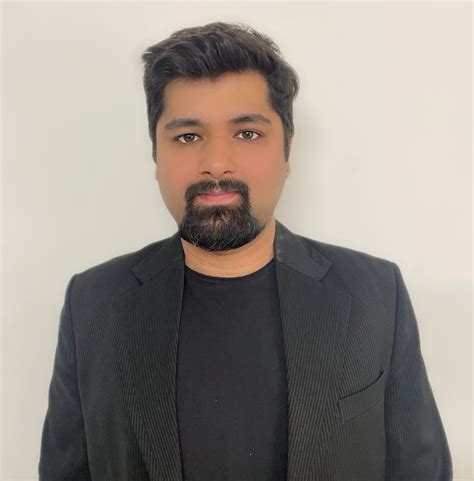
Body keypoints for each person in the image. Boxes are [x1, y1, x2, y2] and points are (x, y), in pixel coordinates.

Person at [38, 21, 452, 481]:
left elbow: (422, 470)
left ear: (287, 150)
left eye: (247, 133)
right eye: (188, 136)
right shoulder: (93, 303)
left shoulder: (375, 293)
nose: (217, 163)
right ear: (156, 154)